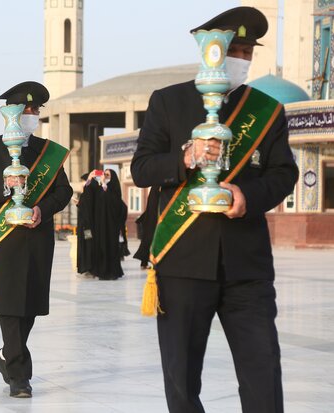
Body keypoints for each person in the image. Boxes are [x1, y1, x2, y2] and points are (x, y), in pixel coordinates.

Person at [131, 7, 299, 413]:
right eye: (232, 50)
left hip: (247, 267)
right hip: (183, 262)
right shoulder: (167, 102)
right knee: (182, 377)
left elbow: (283, 174)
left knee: (262, 369)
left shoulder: (267, 110)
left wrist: (248, 195)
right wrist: (185, 157)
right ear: (210, 52)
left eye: (246, 52)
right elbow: (141, 168)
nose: (240, 59)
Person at [0, 81, 72, 398]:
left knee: (29, 305)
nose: (31, 114)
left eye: (35, 110)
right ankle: (19, 375)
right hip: (4, 241)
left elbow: (63, 191)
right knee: (10, 304)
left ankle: (6, 355)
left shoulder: (47, 151)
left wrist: (43, 207)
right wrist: (4, 188)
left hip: (38, 236)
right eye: (25, 109)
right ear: (9, 113)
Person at [78, 169, 127, 280]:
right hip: (100, 225)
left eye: (107, 174)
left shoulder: (113, 189)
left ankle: (111, 272)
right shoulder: (100, 188)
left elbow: (116, 204)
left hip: (111, 227)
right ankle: (99, 270)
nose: (104, 176)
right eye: (103, 174)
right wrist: (90, 179)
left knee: (110, 248)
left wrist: (104, 185)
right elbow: (88, 196)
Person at [133, 187, 160, 270]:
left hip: (151, 221)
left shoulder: (154, 190)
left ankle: (144, 262)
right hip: (154, 221)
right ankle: (149, 262)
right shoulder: (157, 189)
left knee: (148, 240)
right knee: (151, 240)